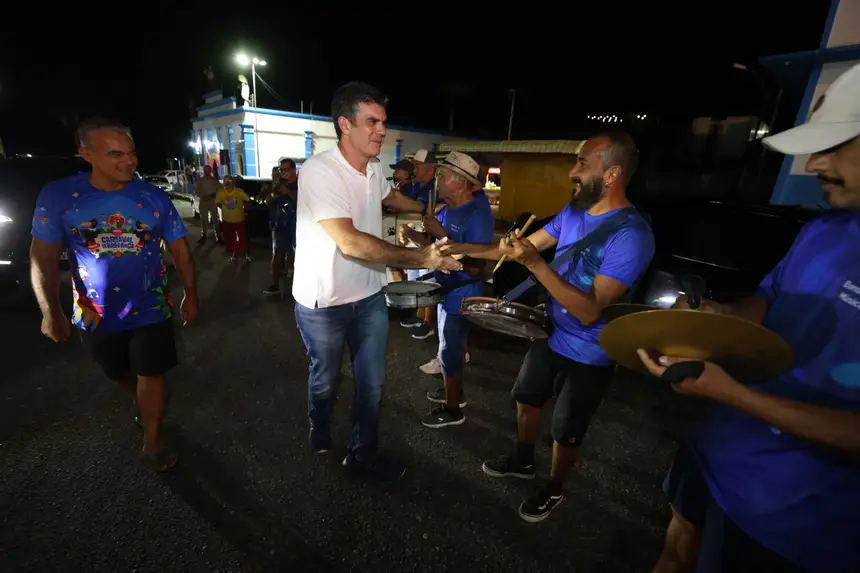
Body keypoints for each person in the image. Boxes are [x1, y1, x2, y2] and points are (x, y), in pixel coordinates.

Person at [638, 61, 860, 573]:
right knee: (676, 545)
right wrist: (715, 317)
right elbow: (768, 298)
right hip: (717, 449)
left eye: (834, 146)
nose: (814, 164)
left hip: (797, 519)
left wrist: (733, 394)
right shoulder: (826, 228)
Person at [445, 132, 654, 521]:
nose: (573, 172)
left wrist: (535, 264)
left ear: (612, 174)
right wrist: (458, 249)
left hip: (591, 350)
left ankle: (555, 487)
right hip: (551, 331)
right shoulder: (574, 211)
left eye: (582, 164)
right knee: (526, 398)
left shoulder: (631, 235)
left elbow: (591, 311)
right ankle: (524, 461)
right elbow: (520, 249)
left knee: (565, 429)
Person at [293, 81, 462, 480]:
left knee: (371, 384)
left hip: (369, 296)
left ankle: (362, 453)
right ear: (344, 125)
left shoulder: (372, 169)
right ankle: (319, 422)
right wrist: (422, 257)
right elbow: (350, 242)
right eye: (372, 122)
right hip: (324, 303)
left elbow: (390, 197)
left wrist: (423, 209)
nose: (382, 130)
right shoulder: (320, 171)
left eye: (383, 122)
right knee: (325, 380)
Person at [29, 117, 198, 472]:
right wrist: (51, 312)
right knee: (117, 371)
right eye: (116, 154)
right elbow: (42, 258)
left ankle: (153, 440)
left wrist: (191, 295)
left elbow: (180, 250)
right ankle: (139, 397)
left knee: (152, 373)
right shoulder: (58, 197)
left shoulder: (152, 197)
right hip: (94, 313)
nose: (129, 161)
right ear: (86, 153)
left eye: (131, 153)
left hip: (151, 308)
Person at [400, 151, 494, 427]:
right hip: (447, 289)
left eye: (442, 175)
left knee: (450, 349)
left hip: (463, 294)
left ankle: (454, 410)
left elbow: (476, 268)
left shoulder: (477, 215)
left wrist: (441, 232)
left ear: (461, 182)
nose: (437, 180)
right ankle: (453, 392)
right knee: (447, 347)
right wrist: (413, 235)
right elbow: (436, 248)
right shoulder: (446, 209)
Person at [399, 149, 439, 339]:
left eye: (417, 166)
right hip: (413, 239)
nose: (413, 169)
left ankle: (428, 323)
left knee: (427, 282)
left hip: (426, 241)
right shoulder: (416, 186)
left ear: (430, 169)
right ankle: (419, 317)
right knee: (416, 280)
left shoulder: (434, 188)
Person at [262, 159, 299, 295]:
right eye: (281, 170)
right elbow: (267, 202)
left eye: (286, 169)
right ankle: (275, 285)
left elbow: (303, 202)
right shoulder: (278, 184)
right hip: (280, 225)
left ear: (294, 170)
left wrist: (288, 192)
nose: (283, 172)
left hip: (297, 224)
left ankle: (300, 287)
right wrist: (272, 194)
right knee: (277, 254)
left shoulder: (302, 184)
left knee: (298, 255)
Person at [216, 175, 252, 263]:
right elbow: (218, 203)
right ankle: (234, 255)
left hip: (239, 219)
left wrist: (246, 208)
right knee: (231, 239)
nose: (227, 183)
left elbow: (248, 200)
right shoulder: (220, 192)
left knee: (243, 237)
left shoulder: (239, 191)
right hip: (227, 220)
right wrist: (225, 209)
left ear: (233, 183)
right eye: (225, 181)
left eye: (229, 181)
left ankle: (246, 254)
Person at [195, 165, 222, 244]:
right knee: (204, 219)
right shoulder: (201, 181)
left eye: (208, 170)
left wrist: (214, 195)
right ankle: (203, 235)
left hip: (212, 201)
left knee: (215, 218)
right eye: (205, 170)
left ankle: (218, 235)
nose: (207, 171)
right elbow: (197, 191)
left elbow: (219, 190)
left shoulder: (215, 180)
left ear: (210, 171)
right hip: (203, 201)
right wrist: (203, 196)